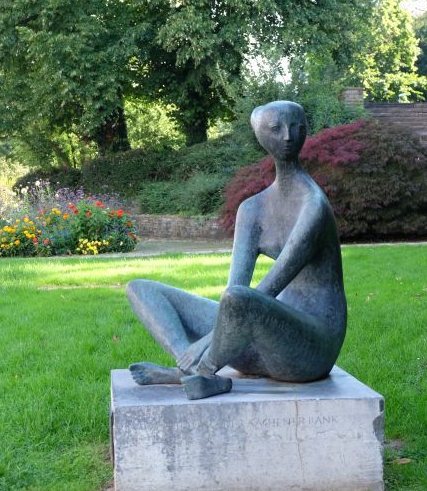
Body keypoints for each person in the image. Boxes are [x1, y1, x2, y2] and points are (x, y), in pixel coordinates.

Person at [127, 101, 347, 399]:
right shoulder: (252, 209)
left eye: (296, 127)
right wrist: (207, 342)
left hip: (307, 351)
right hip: (258, 342)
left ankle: (203, 370)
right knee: (141, 289)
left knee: (238, 299)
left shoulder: (313, 205)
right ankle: (189, 369)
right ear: (259, 134)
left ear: (305, 131)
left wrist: (206, 341)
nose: (287, 136)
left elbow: (268, 288)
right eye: (275, 128)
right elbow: (234, 290)